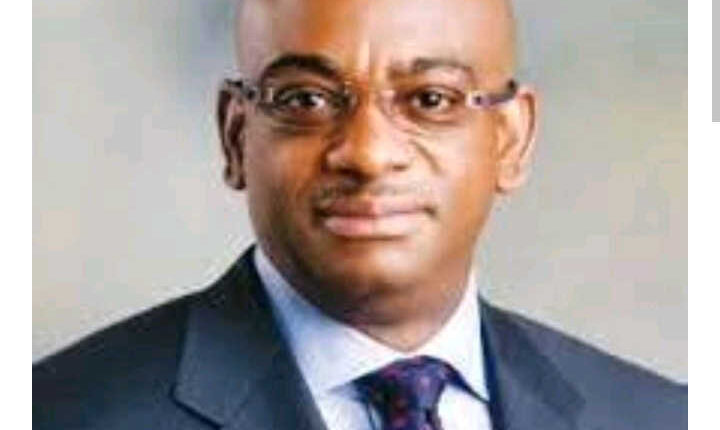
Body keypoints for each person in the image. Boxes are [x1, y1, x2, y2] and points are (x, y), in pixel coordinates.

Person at [33, 0, 687, 428]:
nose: (369, 154)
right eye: (306, 100)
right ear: (235, 137)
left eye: (431, 99)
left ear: (511, 140)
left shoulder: (660, 417)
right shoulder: (58, 412)